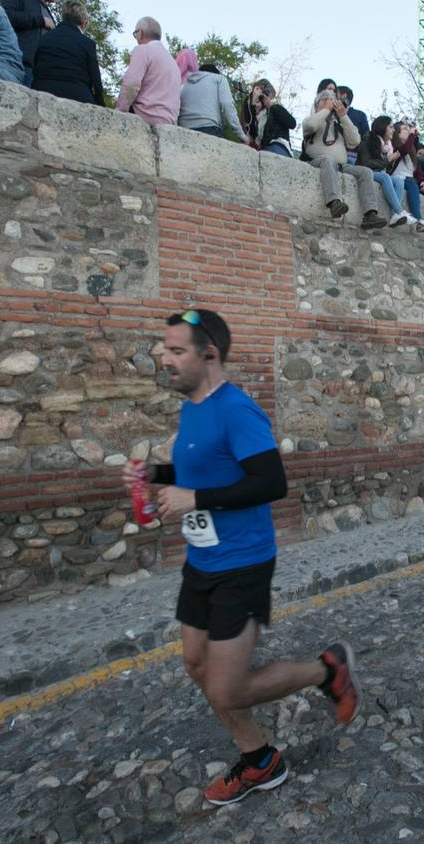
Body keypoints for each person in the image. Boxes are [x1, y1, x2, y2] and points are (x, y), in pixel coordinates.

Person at [122, 309, 362, 806]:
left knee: (227, 689)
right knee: (195, 664)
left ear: (209, 354)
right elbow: (206, 470)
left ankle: (327, 669)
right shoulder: (193, 407)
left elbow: (271, 481)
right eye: (164, 349)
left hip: (243, 563)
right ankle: (261, 762)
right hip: (202, 561)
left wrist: (194, 499)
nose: (164, 358)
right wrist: (157, 476)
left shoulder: (237, 410)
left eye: (175, 350)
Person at [301, 89, 387, 229]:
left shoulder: (338, 124)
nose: (331, 102)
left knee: (366, 172)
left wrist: (343, 116)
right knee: (328, 160)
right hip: (318, 161)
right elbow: (311, 126)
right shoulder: (311, 120)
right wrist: (326, 110)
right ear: (317, 105)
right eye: (326, 99)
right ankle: (334, 203)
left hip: (341, 165)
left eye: (332, 99)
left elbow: (355, 141)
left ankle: (370, 214)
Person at [29, 0, 104, 105]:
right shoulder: (87, 43)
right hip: (77, 95)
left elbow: (35, 64)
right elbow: (96, 81)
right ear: (83, 23)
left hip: (41, 92)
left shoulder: (44, 38)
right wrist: (101, 104)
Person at [0, 0, 63, 86]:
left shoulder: (48, 13)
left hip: (39, 76)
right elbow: (5, 17)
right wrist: (41, 20)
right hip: (13, 66)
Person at [115, 17, 182, 126]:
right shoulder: (174, 64)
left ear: (140, 33)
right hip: (168, 123)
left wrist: (120, 111)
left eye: (135, 33)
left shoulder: (142, 50)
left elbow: (131, 85)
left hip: (143, 117)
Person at [359, 116, 412, 228]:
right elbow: (366, 163)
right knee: (386, 177)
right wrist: (387, 160)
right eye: (391, 127)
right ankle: (399, 211)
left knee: (399, 181)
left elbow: (384, 167)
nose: (393, 130)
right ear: (383, 127)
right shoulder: (368, 139)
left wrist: (390, 162)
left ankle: (394, 216)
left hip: (379, 172)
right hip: (366, 171)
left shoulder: (389, 146)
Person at [178, 61, 248, 143]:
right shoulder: (219, 78)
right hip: (209, 129)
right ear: (215, 73)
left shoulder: (184, 84)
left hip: (182, 131)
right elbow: (227, 105)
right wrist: (241, 135)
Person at [388, 122, 424, 234]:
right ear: (397, 133)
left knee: (413, 184)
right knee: (411, 182)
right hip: (397, 177)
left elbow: (416, 168)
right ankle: (417, 219)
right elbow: (404, 150)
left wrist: (422, 181)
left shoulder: (411, 149)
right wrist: (412, 135)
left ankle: (419, 220)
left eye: (409, 129)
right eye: (404, 129)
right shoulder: (394, 146)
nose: (408, 130)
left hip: (409, 179)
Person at [335, 85, 369, 165]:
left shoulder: (359, 115)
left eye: (335, 94)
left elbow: (366, 138)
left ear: (344, 96)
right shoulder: (330, 112)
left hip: (351, 156)